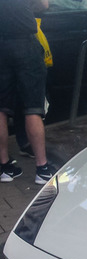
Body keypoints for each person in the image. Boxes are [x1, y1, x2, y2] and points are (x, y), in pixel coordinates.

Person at [0, 0, 54, 185]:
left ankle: (4, 166)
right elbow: (44, 4)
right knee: (33, 107)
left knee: (1, 109)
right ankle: (42, 169)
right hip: (24, 43)